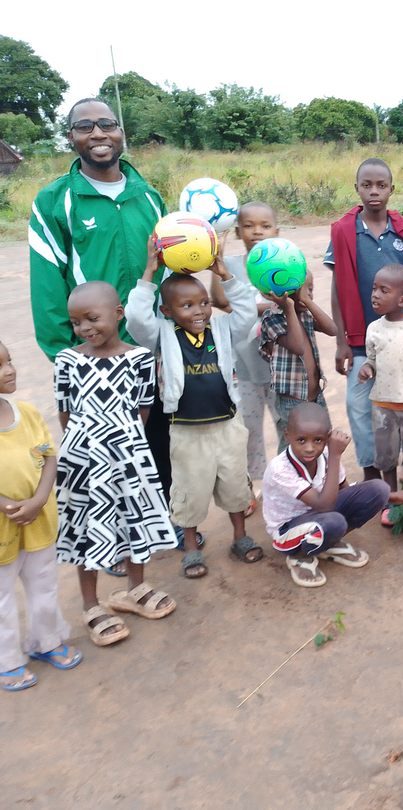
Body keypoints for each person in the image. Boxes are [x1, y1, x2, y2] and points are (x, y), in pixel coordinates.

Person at [27, 97, 175, 571]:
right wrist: (67, 355)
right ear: (70, 136)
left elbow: (168, 268)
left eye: (106, 124)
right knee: (100, 458)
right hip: (94, 358)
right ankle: (109, 547)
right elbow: (47, 285)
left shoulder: (148, 196)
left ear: (121, 132)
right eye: (84, 126)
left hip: (148, 348)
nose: (97, 134)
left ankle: (153, 531)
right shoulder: (55, 202)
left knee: (154, 441)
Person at [127, 241, 263, 579]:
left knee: (235, 486)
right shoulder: (161, 334)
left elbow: (246, 313)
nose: (199, 311)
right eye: (186, 306)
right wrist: (149, 272)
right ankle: (190, 549)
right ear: (167, 311)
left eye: (203, 302)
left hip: (227, 426)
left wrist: (225, 274)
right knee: (189, 492)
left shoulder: (222, 329)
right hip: (187, 430)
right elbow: (136, 319)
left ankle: (240, 538)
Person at [53, 282, 176, 647]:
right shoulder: (67, 361)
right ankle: (91, 604)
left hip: (128, 456)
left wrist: (122, 440)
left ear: (118, 314)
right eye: (76, 322)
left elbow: (143, 409)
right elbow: (65, 412)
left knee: (134, 519)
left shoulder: (140, 358)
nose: (85, 328)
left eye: (92, 318)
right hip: (84, 462)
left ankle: (135, 589)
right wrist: (88, 445)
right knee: (88, 528)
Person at [326, 158, 403, 481]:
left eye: (381, 185)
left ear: (391, 189)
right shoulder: (344, 232)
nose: (374, 191)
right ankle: (373, 477)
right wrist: (342, 342)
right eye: (367, 185)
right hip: (362, 340)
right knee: (359, 407)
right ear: (357, 188)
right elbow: (337, 289)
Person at [0, 340, 82, 691]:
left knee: (44, 584)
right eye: (0, 366)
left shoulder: (27, 413)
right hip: (4, 525)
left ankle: (46, 641)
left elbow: (49, 456)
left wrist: (38, 499)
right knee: (1, 598)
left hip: (38, 518)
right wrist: (7, 504)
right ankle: (7, 661)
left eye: (9, 361)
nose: (9, 370)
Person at [262, 403, 397, 588]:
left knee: (378, 489)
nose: (309, 448)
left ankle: (327, 542)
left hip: (320, 517)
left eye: (318, 440)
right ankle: (299, 557)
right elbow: (324, 505)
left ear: (327, 437)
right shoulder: (280, 468)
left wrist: (389, 496)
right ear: (287, 436)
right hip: (287, 531)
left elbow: (345, 490)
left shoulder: (326, 454)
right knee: (334, 521)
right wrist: (335, 455)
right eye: (301, 440)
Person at [210, 201, 280, 495]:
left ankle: (287, 482)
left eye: (265, 226)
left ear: (277, 231)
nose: (257, 232)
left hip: (280, 365)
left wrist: (245, 308)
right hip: (244, 364)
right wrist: (218, 263)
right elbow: (218, 300)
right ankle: (251, 486)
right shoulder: (232, 266)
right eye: (249, 226)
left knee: (286, 424)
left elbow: (288, 301)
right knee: (247, 429)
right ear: (238, 232)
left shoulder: (282, 263)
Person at [359, 265, 403, 502]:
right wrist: (367, 368)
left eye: (384, 290)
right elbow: (371, 359)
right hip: (382, 406)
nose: (375, 295)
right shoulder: (374, 329)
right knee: (386, 458)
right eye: (374, 289)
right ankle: (390, 501)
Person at [260, 270, 337, 450]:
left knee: (322, 440)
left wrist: (307, 301)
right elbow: (298, 346)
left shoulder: (306, 314)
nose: (307, 295)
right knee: (292, 447)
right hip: (291, 402)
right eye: (302, 290)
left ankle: (323, 469)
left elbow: (333, 329)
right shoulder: (271, 318)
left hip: (316, 397)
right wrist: (288, 308)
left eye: (311, 289)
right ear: (284, 293)